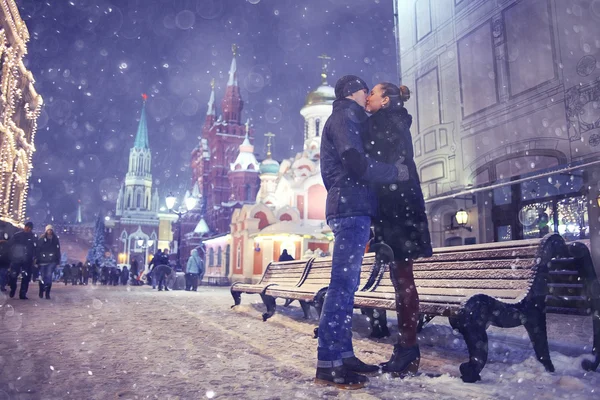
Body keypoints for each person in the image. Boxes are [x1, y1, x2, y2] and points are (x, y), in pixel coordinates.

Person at [315, 75, 409, 389]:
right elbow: (355, 163)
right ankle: (329, 362)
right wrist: (393, 171)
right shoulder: (344, 117)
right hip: (350, 208)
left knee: (347, 284)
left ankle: (343, 354)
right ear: (354, 93)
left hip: (351, 205)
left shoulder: (349, 117)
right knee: (342, 286)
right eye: (365, 91)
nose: (368, 95)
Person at [364, 82, 433, 376]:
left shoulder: (386, 122)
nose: (368, 97)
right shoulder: (390, 120)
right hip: (398, 207)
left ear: (387, 100)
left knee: (403, 277)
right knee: (400, 276)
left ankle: (408, 349)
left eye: (373, 94)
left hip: (398, 209)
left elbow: (380, 159)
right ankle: (406, 348)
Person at [7, 221, 37, 299]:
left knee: (26, 277)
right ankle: (13, 288)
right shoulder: (17, 235)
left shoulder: (33, 237)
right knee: (13, 276)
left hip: (27, 260)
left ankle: (23, 293)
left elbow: (36, 248)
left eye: (30, 228)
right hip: (16, 258)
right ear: (25, 227)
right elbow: (10, 245)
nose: (28, 229)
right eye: (27, 227)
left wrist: (34, 257)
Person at [36, 225, 61, 300]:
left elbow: (57, 250)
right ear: (46, 231)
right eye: (48, 230)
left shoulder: (55, 239)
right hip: (43, 261)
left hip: (51, 261)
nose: (49, 231)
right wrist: (37, 259)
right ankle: (41, 290)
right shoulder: (42, 239)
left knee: (49, 276)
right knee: (43, 276)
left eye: (51, 230)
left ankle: (47, 293)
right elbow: (38, 249)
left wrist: (57, 260)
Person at [0, 227, 11, 292]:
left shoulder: (7, 244)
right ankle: (2, 285)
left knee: (3, 274)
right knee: (3, 274)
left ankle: (2, 285)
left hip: (4, 261)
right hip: (5, 261)